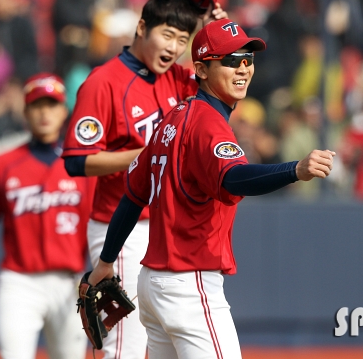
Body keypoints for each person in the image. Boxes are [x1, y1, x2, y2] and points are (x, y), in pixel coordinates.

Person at [86, 19, 335, 359]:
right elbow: (233, 177)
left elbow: (132, 196)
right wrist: (294, 169)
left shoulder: (172, 119)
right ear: (201, 69)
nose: (243, 68)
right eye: (230, 60)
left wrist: (105, 260)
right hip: (189, 283)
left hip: (152, 285)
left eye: (247, 59)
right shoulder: (208, 124)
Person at [62, 0, 228, 359]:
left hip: (169, 229)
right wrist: (145, 156)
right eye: (166, 35)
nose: (172, 47)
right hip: (120, 229)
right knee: (126, 348)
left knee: (165, 344)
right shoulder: (104, 81)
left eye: (182, 39)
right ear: (141, 28)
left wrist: (219, 26)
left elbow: (223, 85)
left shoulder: (179, 78)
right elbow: (76, 161)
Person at [0, 73, 94, 359]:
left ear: (63, 111)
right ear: (26, 111)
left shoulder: (84, 166)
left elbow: (100, 225)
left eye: (52, 105)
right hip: (19, 282)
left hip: (70, 281)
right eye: (37, 106)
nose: (45, 113)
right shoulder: (4, 164)